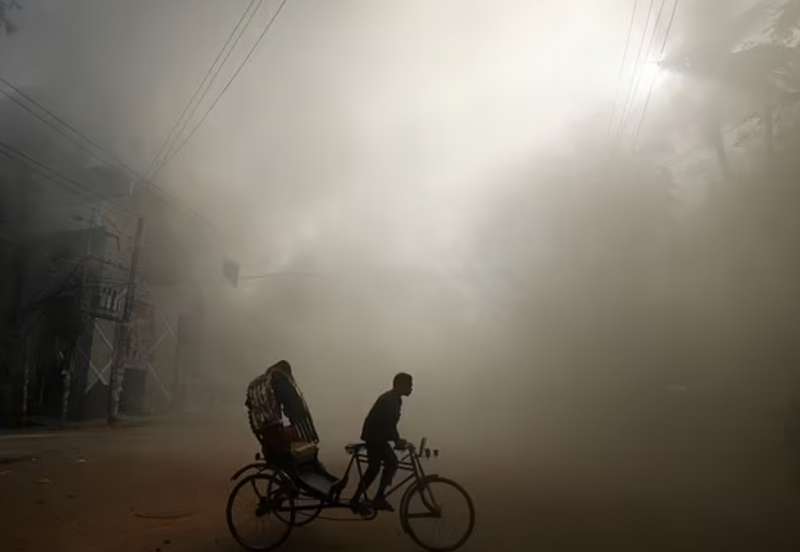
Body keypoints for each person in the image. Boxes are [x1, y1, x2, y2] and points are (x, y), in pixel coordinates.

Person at [351, 372, 413, 512]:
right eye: (409, 385)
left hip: (378, 437)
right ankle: (362, 499)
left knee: (388, 464)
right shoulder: (390, 400)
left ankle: (376, 497)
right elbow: (388, 424)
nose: (411, 388)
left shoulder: (395, 399)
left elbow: (390, 424)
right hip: (374, 437)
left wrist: (397, 439)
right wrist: (397, 440)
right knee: (377, 467)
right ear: (400, 385)